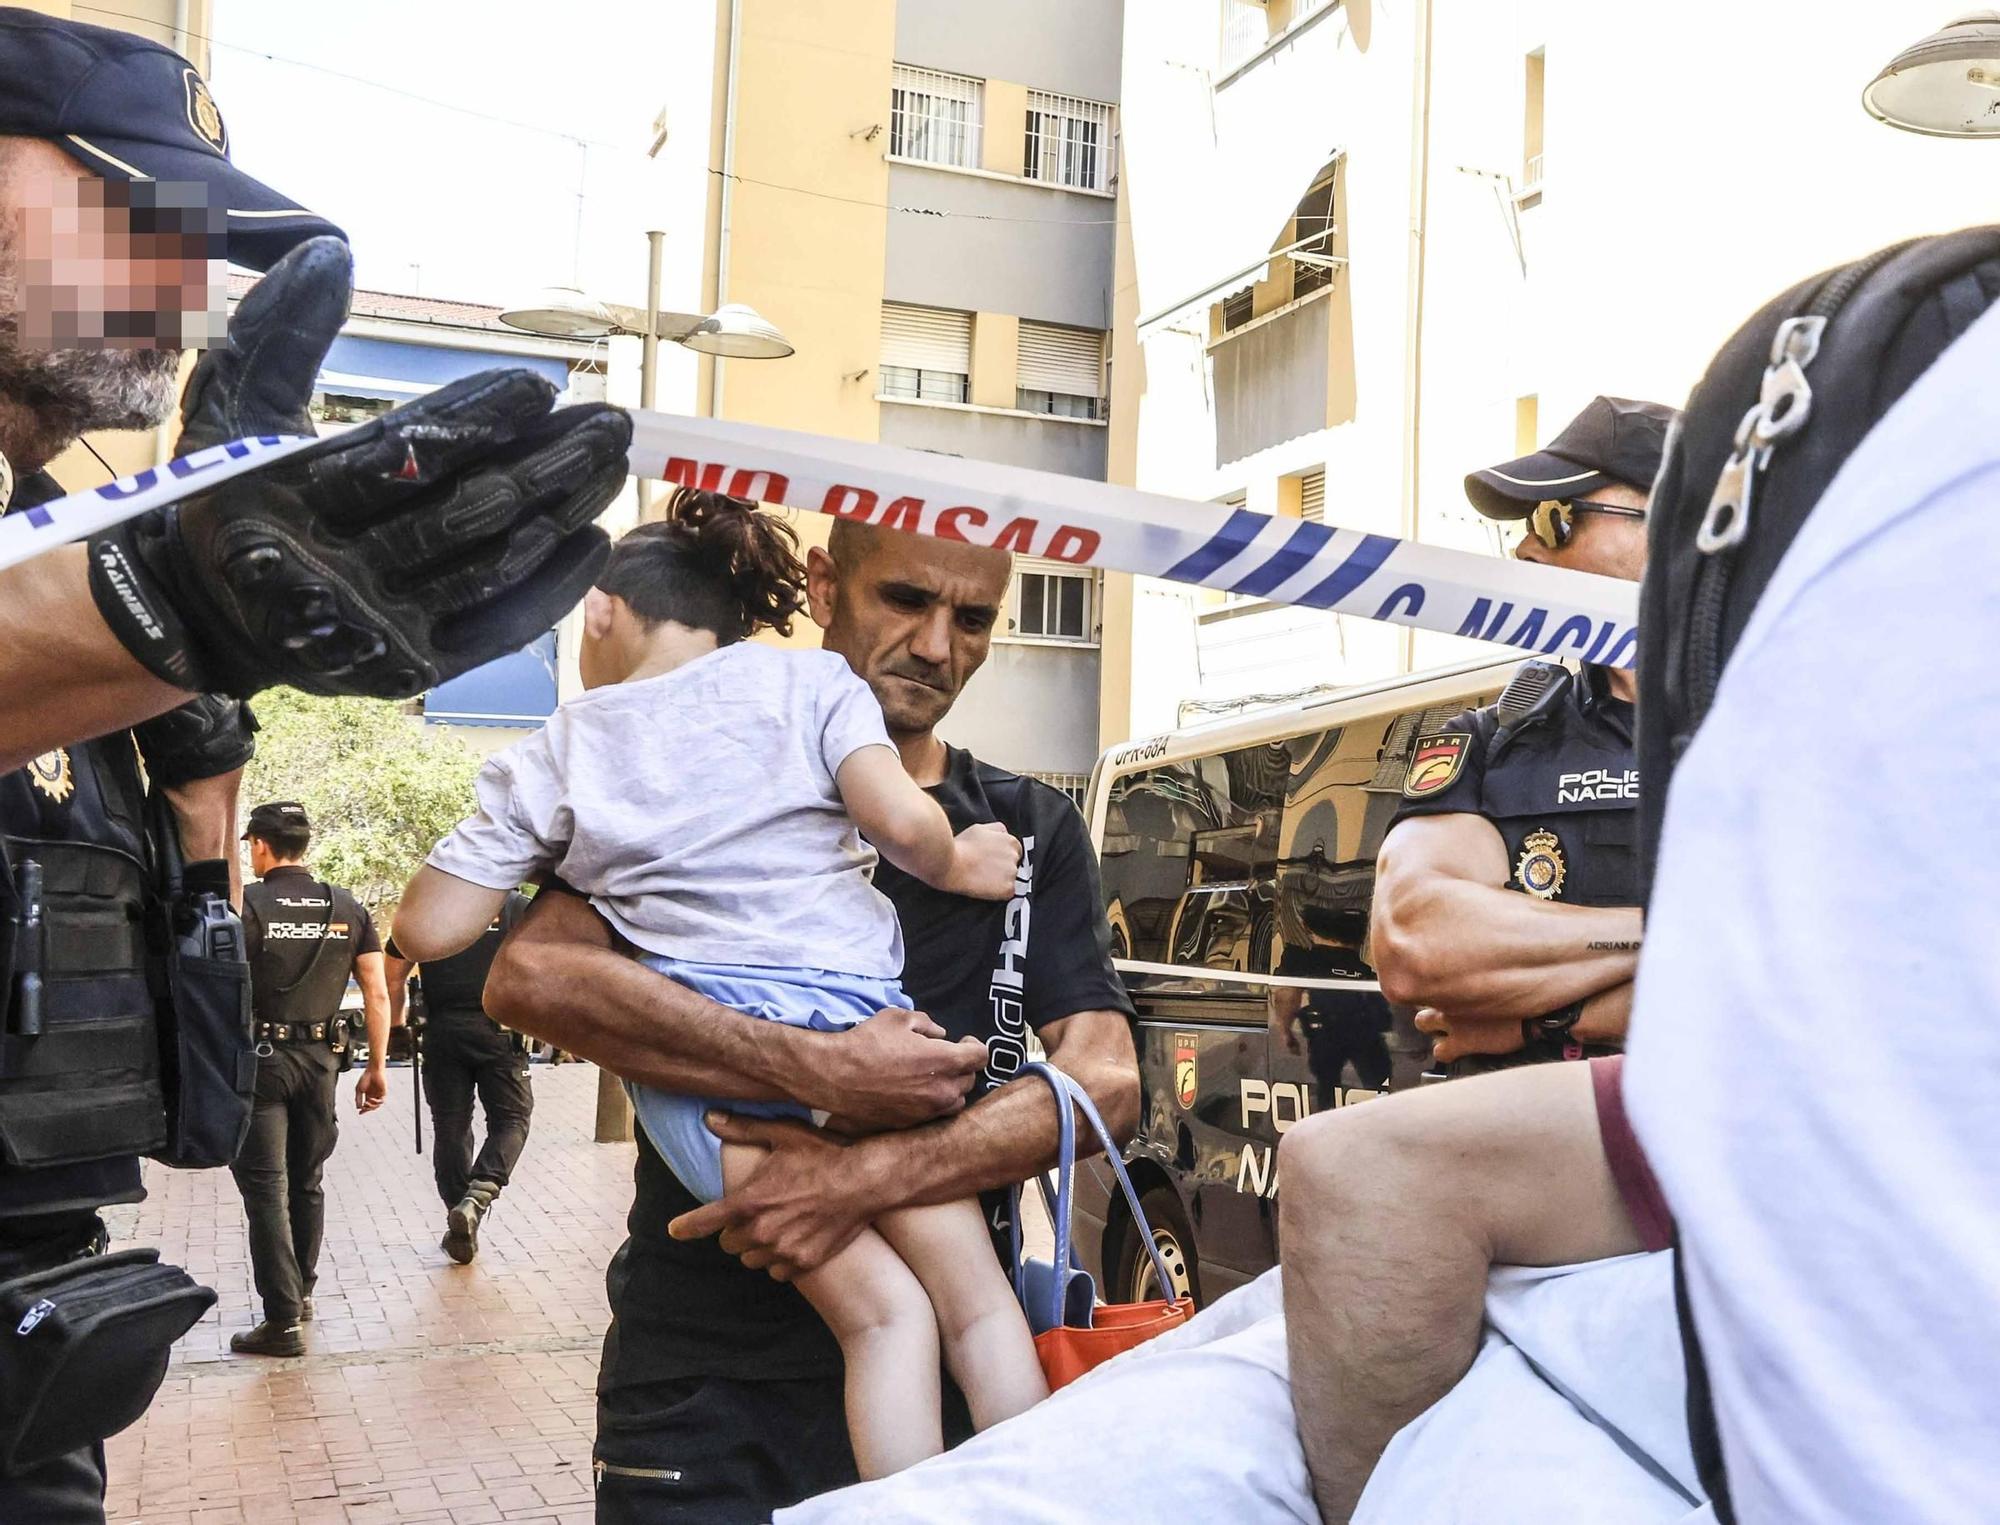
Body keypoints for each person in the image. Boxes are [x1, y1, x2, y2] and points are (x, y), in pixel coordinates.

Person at [0, 12, 629, 1515]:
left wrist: (193, 789)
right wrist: (167, 604)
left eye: (196, 241)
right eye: (131, 211)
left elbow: (178, 1077)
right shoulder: (93, 583)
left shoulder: (56, 551)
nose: (180, 281)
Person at [479, 513, 1140, 1521]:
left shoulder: (1027, 825)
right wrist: (820, 1069)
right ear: (824, 585)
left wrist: (863, 1175)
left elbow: (1106, 1081)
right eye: (905, 599)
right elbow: (530, 978)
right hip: (708, 1391)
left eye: (972, 618)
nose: (937, 644)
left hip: (951, 1397)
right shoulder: (689, 776)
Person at [1370, 394, 1670, 1073]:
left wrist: (1539, 1017)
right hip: (1528, 1134)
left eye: (1555, 518)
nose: (1526, 547)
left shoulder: (1789, 734)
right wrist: (1675, 933)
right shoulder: (1492, 740)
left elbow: (1807, 972)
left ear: (1674, 520)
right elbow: (1415, 943)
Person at [227, 802, 388, 1356]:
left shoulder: (245, 905)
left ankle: (282, 1321)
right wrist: (376, 1066)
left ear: (260, 845)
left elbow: (220, 986)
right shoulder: (347, 906)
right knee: (307, 1180)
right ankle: (302, 1293)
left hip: (262, 1062)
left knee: (266, 1189)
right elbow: (377, 993)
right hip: (323, 1062)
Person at [384, 890, 536, 1265]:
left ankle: (459, 1217)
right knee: (512, 1119)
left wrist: (397, 1025)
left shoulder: (430, 905)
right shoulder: (517, 908)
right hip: (501, 1031)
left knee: (450, 1126)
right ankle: (477, 1198)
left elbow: (393, 972)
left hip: (442, 1032)